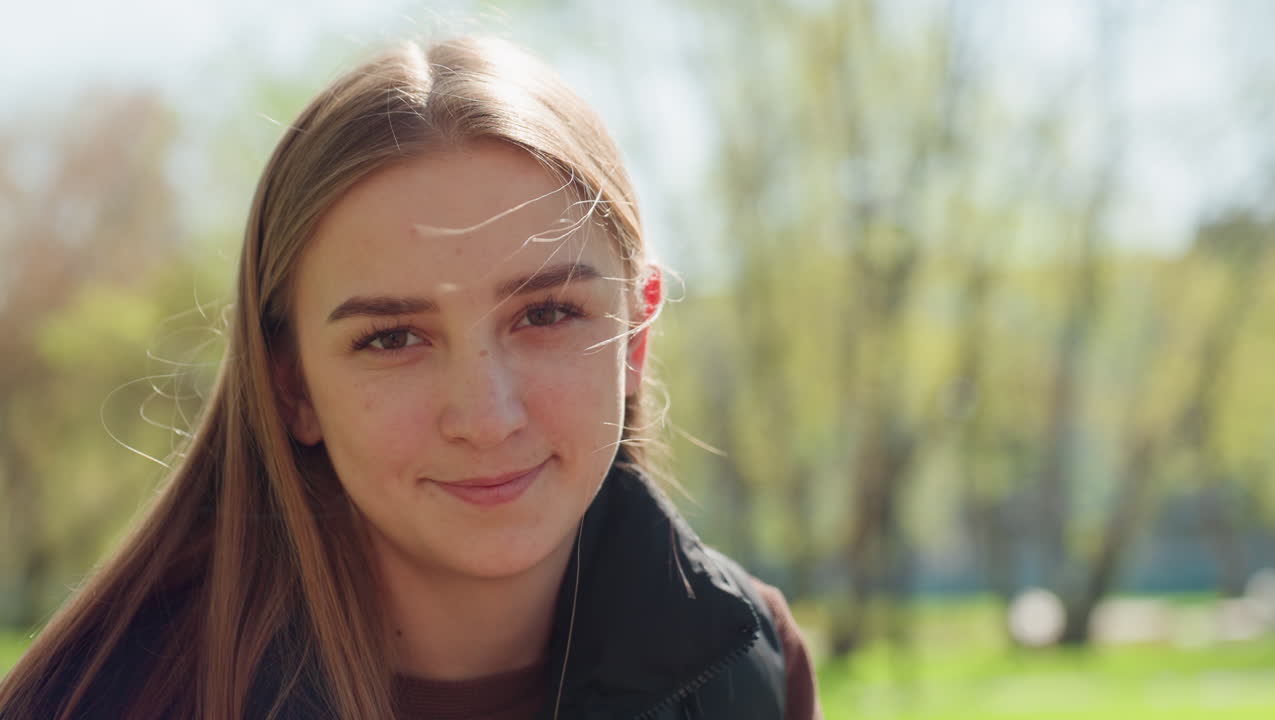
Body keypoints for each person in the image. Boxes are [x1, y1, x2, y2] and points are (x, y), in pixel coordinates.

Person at [0, 35, 822, 719]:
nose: (487, 415)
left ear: (636, 338)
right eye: (393, 337)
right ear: (292, 387)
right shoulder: (102, 700)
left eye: (546, 315)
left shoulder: (750, 671)